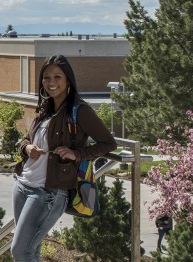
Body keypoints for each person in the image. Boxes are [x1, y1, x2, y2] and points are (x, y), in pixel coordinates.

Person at [11, 55, 117, 261]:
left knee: (21, 251)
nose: (51, 82)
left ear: (68, 80)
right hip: (23, 186)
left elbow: (109, 143)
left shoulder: (80, 111)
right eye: (46, 78)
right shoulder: (44, 108)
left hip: (48, 193)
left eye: (57, 77)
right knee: (31, 250)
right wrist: (27, 148)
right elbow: (24, 140)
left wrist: (76, 154)